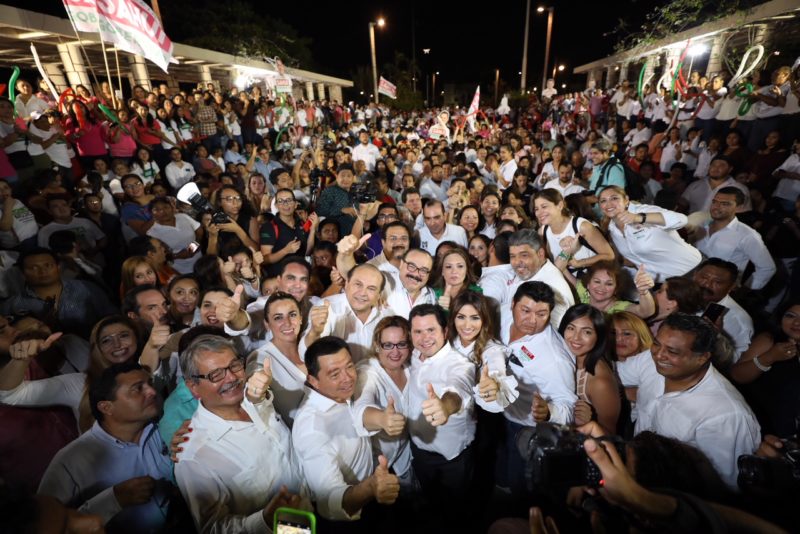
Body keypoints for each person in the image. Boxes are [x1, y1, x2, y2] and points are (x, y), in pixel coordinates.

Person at [175, 334, 306, 533]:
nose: (232, 378)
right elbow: (213, 528)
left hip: (309, 514)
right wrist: (265, 520)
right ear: (193, 387)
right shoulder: (194, 456)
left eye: (234, 365)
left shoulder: (253, 399)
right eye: (216, 374)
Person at [616, 313, 761, 489]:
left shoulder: (726, 415)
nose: (658, 355)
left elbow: (724, 486)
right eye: (656, 343)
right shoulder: (653, 360)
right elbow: (613, 374)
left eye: (673, 351)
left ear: (702, 357)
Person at [37, 362, 174, 533]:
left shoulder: (163, 430)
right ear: (106, 407)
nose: (152, 392)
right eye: (137, 389)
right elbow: (44, 525)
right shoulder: (71, 461)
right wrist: (113, 500)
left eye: (150, 384)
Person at [292, 336, 400, 522]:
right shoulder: (311, 428)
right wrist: (370, 487)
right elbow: (329, 501)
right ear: (314, 380)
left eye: (349, 366)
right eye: (335, 374)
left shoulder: (342, 392)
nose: (348, 378)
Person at [500, 281, 577, 495]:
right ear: (512, 304)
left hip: (526, 428)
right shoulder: (501, 314)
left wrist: (549, 411)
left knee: (520, 488)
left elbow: (569, 406)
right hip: (498, 414)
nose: (532, 320)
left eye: (542, 314)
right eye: (525, 310)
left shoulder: (554, 359)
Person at [406, 304, 477, 532]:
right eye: (417, 332)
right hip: (419, 452)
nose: (424, 338)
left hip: (452, 460)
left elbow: (458, 390)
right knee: (430, 508)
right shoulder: (415, 356)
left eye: (431, 330)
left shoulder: (460, 365)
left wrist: (445, 407)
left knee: (456, 515)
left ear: (445, 332)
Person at [0, 248, 117, 337]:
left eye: (48, 265)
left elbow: (112, 317)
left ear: (58, 267)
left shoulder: (86, 288)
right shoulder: (13, 306)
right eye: (34, 268)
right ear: (22, 273)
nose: (42, 271)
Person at [354, 316, 413, 487]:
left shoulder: (411, 368)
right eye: (387, 345)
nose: (395, 352)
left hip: (405, 460)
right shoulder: (367, 372)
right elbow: (361, 407)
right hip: (375, 469)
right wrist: (382, 419)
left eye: (401, 344)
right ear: (377, 346)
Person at [599, 185, 702, 282]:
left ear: (626, 200)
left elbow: (682, 220)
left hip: (692, 272)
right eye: (603, 201)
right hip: (662, 283)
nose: (609, 204)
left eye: (614, 198)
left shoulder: (644, 210)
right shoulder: (611, 228)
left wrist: (639, 218)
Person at [730, 301, 800, 438]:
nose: (796, 323)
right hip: (757, 422)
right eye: (791, 316)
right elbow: (737, 375)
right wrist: (770, 357)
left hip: (787, 430)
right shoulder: (769, 340)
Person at [299, 263, 388, 362]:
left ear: (379, 294)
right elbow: (305, 355)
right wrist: (314, 333)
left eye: (371, 288)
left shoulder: (385, 314)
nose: (363, 293)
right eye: (358, 284)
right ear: (346, 284)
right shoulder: (327, 307)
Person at [691, 187, 776, 290]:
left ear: (739, 207)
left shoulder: (747, 235)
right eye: (714, 202)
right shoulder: (700, 224)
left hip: (716, 291)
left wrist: (744, 290)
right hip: (690, 283)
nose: (716, 207)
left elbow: (767, 268)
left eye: (725, 204)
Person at [245, 292, 308, 427]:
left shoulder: (311, 349)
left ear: (301, 318)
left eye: (292, 315)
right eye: (278, 318)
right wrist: (255, 394)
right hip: (296, 440)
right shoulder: (260, 357)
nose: (287, 323)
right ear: (267, 324)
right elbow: (253, 398)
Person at [559, 304, 621, 433]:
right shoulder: (561, 357)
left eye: (587, 332)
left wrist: (591, 421)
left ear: (599, 337)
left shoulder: (600, 382)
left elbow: (610, 434)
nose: (576, 337)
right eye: (571, 328)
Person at [532, 189, 614, 279]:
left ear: (560, 205)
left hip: (593, 280)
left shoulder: (581, 226)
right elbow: (553, 266)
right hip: (566, 282)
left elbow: (609, 255)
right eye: (536, 209)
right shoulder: (542, 232)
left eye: (544, 207)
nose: (539, 213)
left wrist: (580, 263)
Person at [502, 229, 575, 328]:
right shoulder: (530, 271)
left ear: (540, 254)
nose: (517, 262)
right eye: (513, 256)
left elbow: (546, 332)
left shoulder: (551, 288)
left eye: (524, 255)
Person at [692, 258, 754, 362]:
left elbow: (734, 361)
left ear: (732, 287)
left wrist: (717, 338)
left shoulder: (739, 320)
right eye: (704, 277)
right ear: (694, 275)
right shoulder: (678, 294)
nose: (707, 284)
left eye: (717, 282)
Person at [573, 260, 656, 318]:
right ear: (588, 284)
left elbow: (646, 312)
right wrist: (566, 251)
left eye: (609, 284)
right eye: (597, 281)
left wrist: (643, 291)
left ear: (616, 289)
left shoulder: (619, 308)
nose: (601, 287)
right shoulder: (582, 290)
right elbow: (561, 270)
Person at [146, 197, 203, 275]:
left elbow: (199, 232)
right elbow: (158, 256)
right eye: (157, 210)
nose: (163, 211)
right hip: (179, 271)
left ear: (172, 208)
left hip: (201, 263)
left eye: (166, 207)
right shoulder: (152, 233)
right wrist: (177, 255)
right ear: (151, 213)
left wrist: (193, 247)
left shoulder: (183, 217)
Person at [679, 155, 751, 214]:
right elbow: (681, 205)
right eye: (713, 165)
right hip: (691, 228)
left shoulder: (740, 189)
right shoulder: (695, 185)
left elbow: (743, 214)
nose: (716, 168)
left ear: (730, 169)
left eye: (721, 165)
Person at [315, 163, 359, 235]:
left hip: (355, 234)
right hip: (335, 235)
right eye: (342, 176)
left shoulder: (356, 193)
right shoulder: (330, 191)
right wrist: (341, 210)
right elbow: (320, 211)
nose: (345, 179)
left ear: (353, 178)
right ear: (336, 176)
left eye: (348, 176)